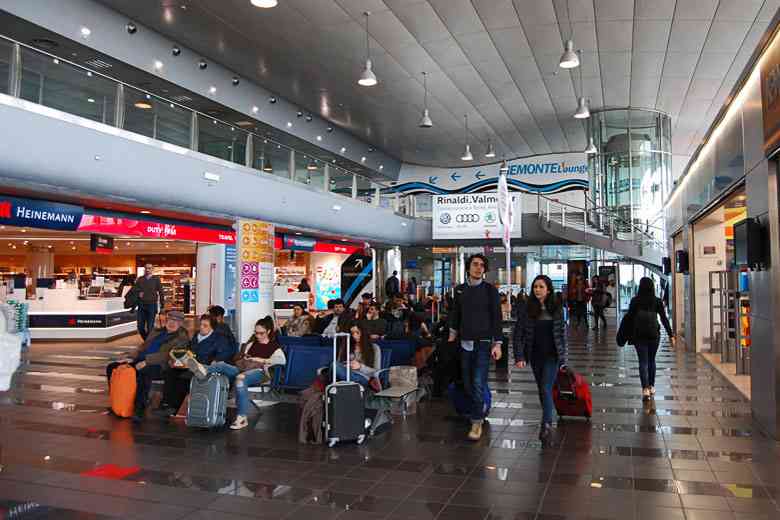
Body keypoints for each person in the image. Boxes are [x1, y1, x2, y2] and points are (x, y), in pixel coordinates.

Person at [187, 316, 286, 430]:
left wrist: (261, 360)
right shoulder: (251, 344)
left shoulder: (274, 347)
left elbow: (282, 360)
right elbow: (242, 358)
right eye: (256, 333)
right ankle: (203, 369)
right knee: (222, 365)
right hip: (244, 368)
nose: (258, 335)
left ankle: (242, 417)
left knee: (240, 378)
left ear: (268, 331)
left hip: (260, 372)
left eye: (261, 333)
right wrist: (246, 358)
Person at [448, 253, 502, 441]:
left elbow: (497, 318)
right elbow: (456, 314)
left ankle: (476, 422)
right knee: (469, 382)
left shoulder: (490, 291)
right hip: (465, 343)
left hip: (484, 343)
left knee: (478, 381)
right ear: (468, 267)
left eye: (481, 265)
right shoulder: (460, 290)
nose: (478, 268)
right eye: (474, 264)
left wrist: (498, 343)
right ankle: (481, 406)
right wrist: (452, 334)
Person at [105, 310, 190, 421]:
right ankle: (117, 400)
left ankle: (139, 408)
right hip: (141, 360)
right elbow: (143, 346)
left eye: (176, 321)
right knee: (112, 367)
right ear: (166, 320)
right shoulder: (157, 331)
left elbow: (168, 355)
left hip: (160, 365)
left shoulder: (182, 337)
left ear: (181, 323)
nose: (172, 323)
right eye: (170, 320)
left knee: (144, 371)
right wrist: (131, 356)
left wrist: (147, 361)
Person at [513, 275, 568, 442]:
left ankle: (546, 424)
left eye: (541, 287)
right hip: (535, 355)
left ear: (548, 289)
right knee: (542, 389)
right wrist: (519, 356)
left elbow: (561, 335)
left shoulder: (557, 308)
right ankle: (548, 417)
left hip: (552, 356)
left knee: (545, 388)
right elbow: (518, 334)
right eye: (535, 287)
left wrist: (563, 358)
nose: (537, 289)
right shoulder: (527, 309)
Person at [155, 314, 234, 417]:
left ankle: (173, 407)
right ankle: (166, 404)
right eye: (201, 324)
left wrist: (215, 361)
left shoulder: (219, 339)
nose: (201, 327)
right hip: (190, 365)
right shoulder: (197, 336)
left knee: (184, 378)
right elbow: (189, 350)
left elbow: (223, 354)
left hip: (204, 368)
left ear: (212, 328)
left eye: (205, 325)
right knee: (170, 373)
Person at [627, 277, 675, 400]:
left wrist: (627, 335)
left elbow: (629, 319)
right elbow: (664, 319)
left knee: (642, 362)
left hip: (639, 336)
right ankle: (652, 386)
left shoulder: (635, 301)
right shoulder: (657, 301)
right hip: (654, 335)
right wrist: (671, 335)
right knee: (651, 360)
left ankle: (645, 389)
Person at [333, 323, 380, 391]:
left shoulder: (374, 348)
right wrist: (345, 365)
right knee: (334, 366)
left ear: (363, 333)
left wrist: (360, 367)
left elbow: (377, 372)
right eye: (352, 333)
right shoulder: (346, 346)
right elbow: (339, 363)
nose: (354, 336)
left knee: (334, 367)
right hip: (346, 373)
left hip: (363, 377)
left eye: (357, 333)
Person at [132, 263, 164, 340]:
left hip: (152, 305)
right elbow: (134, 291)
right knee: (140, 327)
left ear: (152, 269)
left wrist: (162, 305)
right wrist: (138, 294)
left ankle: (147, 343)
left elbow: (161, 292)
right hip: (141, 305)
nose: (147, 270)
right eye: (146, 268)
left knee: (150, 328)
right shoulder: (140, 279)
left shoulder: (156, 279)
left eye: (149, 268)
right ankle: (147, 341)